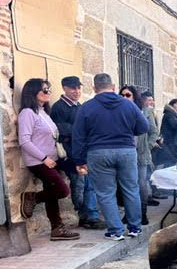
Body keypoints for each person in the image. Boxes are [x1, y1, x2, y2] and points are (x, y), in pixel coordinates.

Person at [72, 73, 149, 241]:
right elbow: (144, 126)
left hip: (98, 153)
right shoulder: (128, 105)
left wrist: (79, 160)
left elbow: (78, 136)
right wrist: (128, 131)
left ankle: (116, 230)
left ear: (94, 88)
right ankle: (135, 227)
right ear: (113, 87)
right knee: (131, 188)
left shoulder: (86, 107)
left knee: (106, 193)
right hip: (126, 151)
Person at [18, 78, 80, 241]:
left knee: (52, 195)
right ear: (33, 92)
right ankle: (33, 197)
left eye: (49, 90)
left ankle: (57, 228)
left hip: (52, 159)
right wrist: (44, 158)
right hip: (39, 161)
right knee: (62, 190)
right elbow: (24, 141)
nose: (48, 93)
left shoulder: (43, 112)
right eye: (45, 90)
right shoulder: (27, 113)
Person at [50, 76, 105, 229]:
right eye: (73, 88)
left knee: (89, 185)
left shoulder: (80, 106)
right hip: (71, 155)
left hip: (83, 153)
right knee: (79, 186)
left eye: (78, 88)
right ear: (64, 88)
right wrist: (80, 130)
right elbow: (59, 130)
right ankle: (84, 215)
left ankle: (91, 216)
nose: (77, 91)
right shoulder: (59, 107)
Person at [121, 85, 158, 225]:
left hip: (141, 154)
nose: (125, 98)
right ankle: (128, 213)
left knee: (141, 183)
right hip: (125, 153)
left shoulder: (146, 111)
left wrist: (147, 146)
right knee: (126, 184)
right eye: (122, 95)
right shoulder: (119, 111)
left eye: (128, 95)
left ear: (135, 96)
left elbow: (154, 132)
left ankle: (142, 213)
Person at [140, 91, 166, 202]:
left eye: (152, 100)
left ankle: (152, 194)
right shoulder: (144, 111)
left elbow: (154, 130)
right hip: (145, 147)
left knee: (150, 171)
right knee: (147, 173)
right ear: (143, 100)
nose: (151, 102)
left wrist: (155, 140)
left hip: (150, 146)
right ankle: (149, 196)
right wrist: (150, 143)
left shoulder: (151, 112)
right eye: (149, 100)